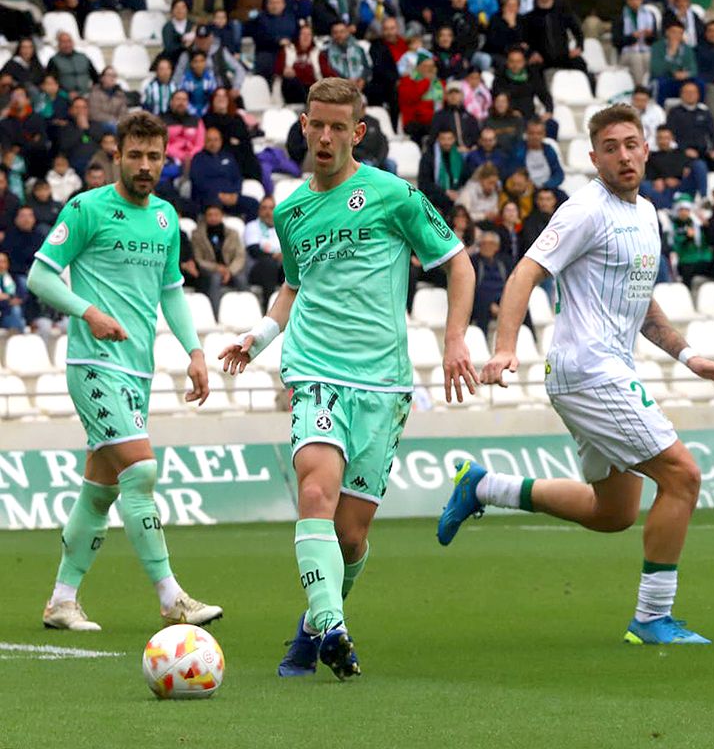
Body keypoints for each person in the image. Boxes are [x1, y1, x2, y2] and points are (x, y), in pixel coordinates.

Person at [438, 103, 714, 646]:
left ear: (646, 148)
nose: (624, 155)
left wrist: (691, 357)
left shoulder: (647, 214)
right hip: (590, 372)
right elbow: (526, 272)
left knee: (613, 513)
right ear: (594, 157)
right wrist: (506, 347)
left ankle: (484, 486)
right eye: (611, 148)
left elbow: (643, 305)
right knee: (684, 477)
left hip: (601, 372)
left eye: (632, 144)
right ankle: (652, 618)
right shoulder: (584, 209)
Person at [219, 78, 478, 679]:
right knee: (314, 493)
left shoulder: (394, 195)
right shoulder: (289, 211)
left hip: (384, 385)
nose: (327, 136)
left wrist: (456, 338)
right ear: (304, 128)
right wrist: (258, 338)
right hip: (315, 371)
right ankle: (332, 626)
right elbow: (292, 286)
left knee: (351, 536)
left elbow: (458, 263)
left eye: (340, 126)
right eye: (318, 125)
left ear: (358, 132)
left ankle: (313, 629)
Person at [29, 112, 220, 632]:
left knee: (100, 491)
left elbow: (171, 292)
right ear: (117, 155)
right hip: (92, 363)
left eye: (153, 157)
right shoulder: (87, 208)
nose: (143, 165)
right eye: (134, 155)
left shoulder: (163, 219)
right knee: (141, 472)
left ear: (164, 159)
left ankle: (62, 601)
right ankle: (170, 596)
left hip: (137, 372)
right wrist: (87, 311)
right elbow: (40, 275)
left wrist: (195, 351)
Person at [614, 0, 658, 87]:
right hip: (626, 53)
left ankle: (651, 87)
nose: (635, 1)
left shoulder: (650, 15)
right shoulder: (620, 16)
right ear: (627, 0)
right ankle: (640, 89)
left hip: (646, 50)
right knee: (636, 57)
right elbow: (616, 41)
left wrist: (649, 36)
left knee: (649, 57)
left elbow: (655, 40)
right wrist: (632, 37)